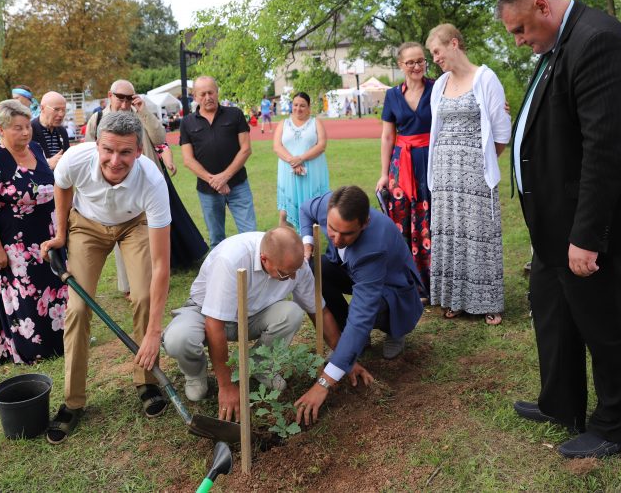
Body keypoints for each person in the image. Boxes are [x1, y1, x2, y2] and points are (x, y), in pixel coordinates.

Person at [498, 0, 621, 459]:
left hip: (589, 219)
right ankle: (561, 402)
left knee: (603, 318)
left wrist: (587, 235)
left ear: (542, 5)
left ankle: (614, 425)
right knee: (553, 308)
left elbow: (607, 147)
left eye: (519, 30)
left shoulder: (598, 40)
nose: (519, 41)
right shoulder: (562, 41)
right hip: (555, 215)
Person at [41, 111, 172, 444]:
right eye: (109, 150)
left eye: (125, 152)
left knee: (143, 296)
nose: (115, 160)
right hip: (87, 224)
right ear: (96, 145)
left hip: (134, 224)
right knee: (79, 308)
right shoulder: (75, 158)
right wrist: (60, 233)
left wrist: (155, 331)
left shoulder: (153, 181)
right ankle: (73, 401)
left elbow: (160, 264)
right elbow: (62, 186)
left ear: (139, 152)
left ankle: (147, 381)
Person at [161, 227, 370, 421]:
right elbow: (214, 325)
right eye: (285, 273)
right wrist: (226, 386)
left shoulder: (295, 265)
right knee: (178, 339)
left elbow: (320, 312)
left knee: (292, 313)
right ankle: (195, 374)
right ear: (264, 259)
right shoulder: (231, 260)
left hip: (252, 314)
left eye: (296, 271)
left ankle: (260, 364)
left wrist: (344, 359)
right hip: (204, 311)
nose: (293, 277)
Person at [295, 186, 423, 425]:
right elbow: (305, 209)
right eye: (332, 229)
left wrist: (324, 382)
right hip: (353, 272)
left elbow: (360, 317)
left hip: (392, 287)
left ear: (364, 224)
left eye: (347, 234)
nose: (336, 239)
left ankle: (396, 330)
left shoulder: (371, 249)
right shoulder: (330, 206)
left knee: (368, 313)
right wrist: (307, 243)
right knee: (315, 270)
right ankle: (351, 345)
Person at [425, 25, 511, 324]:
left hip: (474, 173)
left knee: (479, 236)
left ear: (454, 43)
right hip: (444, 173)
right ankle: (456, 299)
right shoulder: (440, 85)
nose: (434, 58)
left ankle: (488, 301)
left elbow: (501, 130)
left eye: (437, 51)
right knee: (452, 235)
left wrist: (481, 159)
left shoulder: (485, 78)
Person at [0, 100, 66, 364]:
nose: (26, 133)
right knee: (27, 299)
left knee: (57, 290)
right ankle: (34, 349)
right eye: (18, 128)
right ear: (1, 129)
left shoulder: (36, 149)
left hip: (48, 237)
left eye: (27, 126)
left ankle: (62, 340)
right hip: (16, 246)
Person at [87, 81, 207, 285]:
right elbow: (90, 150)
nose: (125, 103)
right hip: (115, 184)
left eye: (129, 98)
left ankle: (156, 276)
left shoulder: (139, 114)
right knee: (122, 232)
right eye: (120, 97)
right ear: (110, 95)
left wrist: (143, 111)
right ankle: (128, 285)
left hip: (146, 182)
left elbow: (160, 138)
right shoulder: (98, 119)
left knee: (151, 230)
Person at [375, 42, 435, 301]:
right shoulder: (392, 95)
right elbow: (388, 136)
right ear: (400, 65)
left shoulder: (438, 88)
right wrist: (384, 173)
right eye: (410, 62)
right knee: (401, 222)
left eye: (420, 60)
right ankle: (411, 284)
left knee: (428, 220)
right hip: (401, 165)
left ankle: (435, 283)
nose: (416, 66)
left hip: (431, 160)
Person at [180, 76, 257, 247]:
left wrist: (225, 177)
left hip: (238, 185)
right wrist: (214, 181)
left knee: (250, 233)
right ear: (195, 97)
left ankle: (254, 270)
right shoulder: (187, 122)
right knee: (216, 239)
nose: (208, 97)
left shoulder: (235, 114)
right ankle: (220, 272)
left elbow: (246, 149)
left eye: (211, 92)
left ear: (217, 92)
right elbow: (188, 159)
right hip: (208, 191)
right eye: (202, 94)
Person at [274, 92, 330, 229]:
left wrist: (301, 159)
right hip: (288, 173)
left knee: (314, 211)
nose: (298, 108)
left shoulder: (316, 123)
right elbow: (277, 146)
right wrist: (292, 161)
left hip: (311, 174)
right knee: (284, 214)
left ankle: (311, 247)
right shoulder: (283, 123)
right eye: (295, 105)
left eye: (302, 106)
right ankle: (283, 247)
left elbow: (321, 145)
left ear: (309, 107)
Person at [31, 91, 70, 170]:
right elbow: (21, 164)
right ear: (42, 108)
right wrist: (47, 164)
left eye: (64, 110)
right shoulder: (30, 130)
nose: (61, 114)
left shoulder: (62, 131)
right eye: (56, 109)